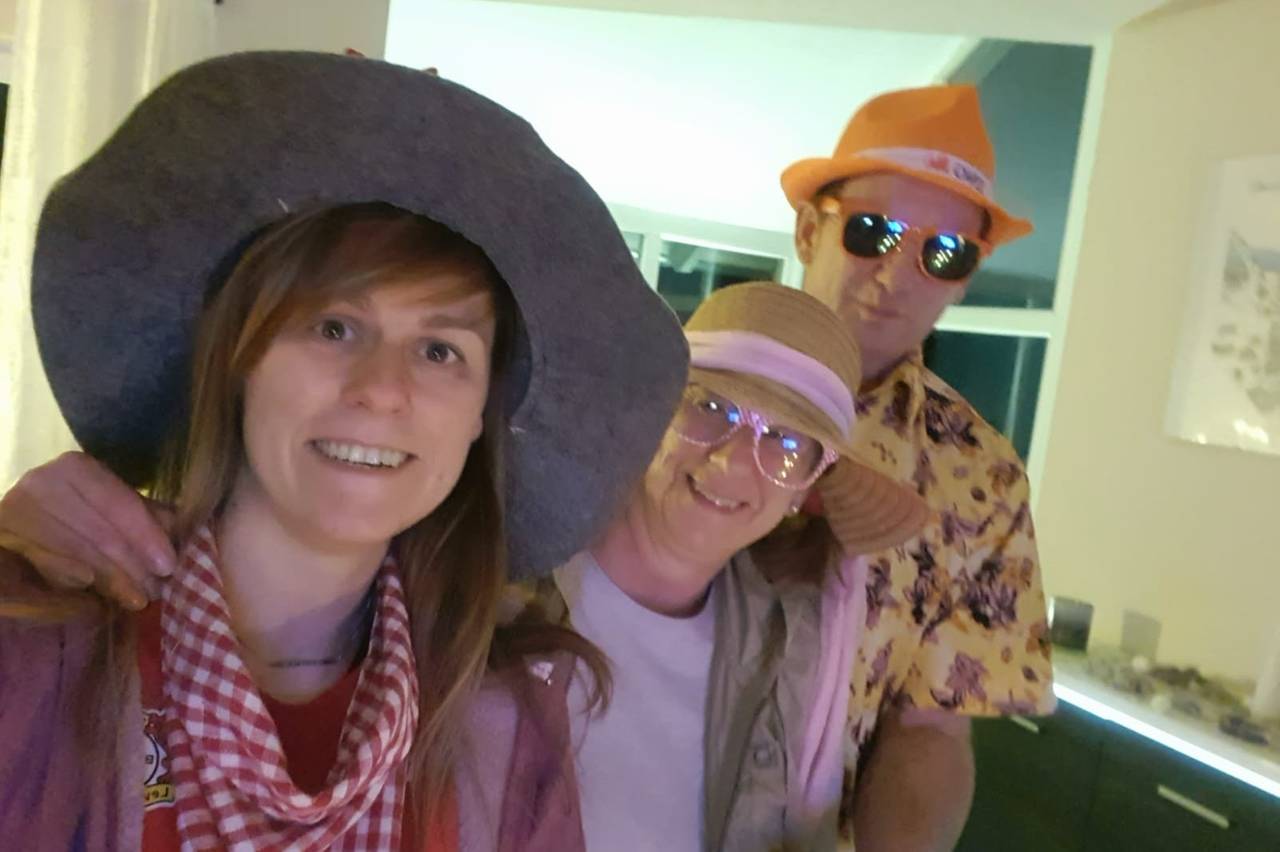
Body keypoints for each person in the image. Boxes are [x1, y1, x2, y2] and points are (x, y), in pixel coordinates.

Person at [0, 51, 687, 850]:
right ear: (238, 357)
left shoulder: (509, 726)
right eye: (333, 327)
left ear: (481, 417)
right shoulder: (34, 644)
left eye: (440, 351)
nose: (382, 390)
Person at [525, 282, 930, 851]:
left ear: (804, 491)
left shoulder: (784, 661)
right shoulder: (511, 572)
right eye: (712, 407)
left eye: (786, 441)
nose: (733, 459)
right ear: (658, 409)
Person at [781, 83, 1056, 850]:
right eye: (872, 231)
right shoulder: (664, 386)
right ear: (809, 230)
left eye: (944, 252)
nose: (898, 272)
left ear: (965, 277)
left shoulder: (982, 476)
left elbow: (931, 726)